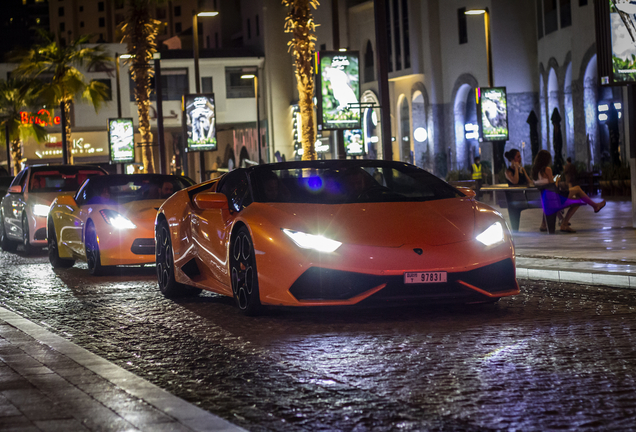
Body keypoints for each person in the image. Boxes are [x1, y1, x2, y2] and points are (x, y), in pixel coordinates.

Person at [531, 149, 605, 233]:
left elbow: (543, 184)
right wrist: (557, 180)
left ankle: (549, 223)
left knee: (576, 193)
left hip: (545, 199)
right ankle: (566, 222)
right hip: (555, 198)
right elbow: (553, 187)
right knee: (577, 192)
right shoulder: (547, 169)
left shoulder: (534, 171)